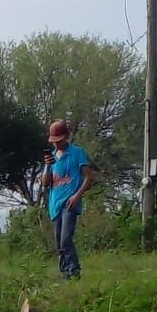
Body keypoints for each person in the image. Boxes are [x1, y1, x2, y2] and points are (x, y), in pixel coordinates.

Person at [42, 119, 96, 280]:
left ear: (66, 136)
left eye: (58, 140)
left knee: (66, 238)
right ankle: (64, 272)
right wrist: (46, 165)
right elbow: (45, 183)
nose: (56, 144)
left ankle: (74, 271)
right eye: (53, 141)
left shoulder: (77, 153)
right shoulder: (51, 157)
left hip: (70, 202)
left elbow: (89, 177)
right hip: (55, 204)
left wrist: (77, 195)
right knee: (59, 242)